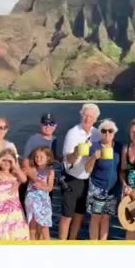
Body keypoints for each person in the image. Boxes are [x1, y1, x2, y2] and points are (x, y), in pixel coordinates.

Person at [59, 103, 100, 240]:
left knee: (79, 216)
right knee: (67, 217)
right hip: (71, 179)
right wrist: (76, 153)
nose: (88, 119)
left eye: (91, 117)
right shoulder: (73, 133)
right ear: (81, 115)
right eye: (85, 115)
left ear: (95, 119)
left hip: (87, 180)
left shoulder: (96, 134)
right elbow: (68, 160)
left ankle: (72, 242)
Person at [85, 119, 122, 241]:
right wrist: (94, 158)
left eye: (110, 131)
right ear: (100, 133)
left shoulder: (119, 147)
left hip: (113, 190)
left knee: (106, 217)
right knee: (96, 217)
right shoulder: (95, 147)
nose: (107, 134)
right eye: (104, 131)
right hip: (97, 188)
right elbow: (87, 169)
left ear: (114, 133)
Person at [21, 112, 62, 208]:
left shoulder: (55, 140)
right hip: (33, 183)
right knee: (30, 213)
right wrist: (36, 179)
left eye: (51, 124)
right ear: (40, 125)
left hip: (47, 181)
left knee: (45, 210)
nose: (48, 126)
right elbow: (25, 162)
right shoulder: (33, 139)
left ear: (55, 126)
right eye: (45, 124)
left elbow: (54, 158)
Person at [22, 146, 55, 241]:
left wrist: (42, 187)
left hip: (43, 201)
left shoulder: (50, 171)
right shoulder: (32, 169)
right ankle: (32, 242)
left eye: (41, 157)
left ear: (48, 158)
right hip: (31, 198)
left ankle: (47, 242)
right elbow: (25, 162)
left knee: (45, 224)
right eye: (36, 156)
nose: (38, 159)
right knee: (32, 222)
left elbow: (50, 187)